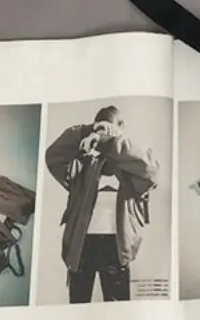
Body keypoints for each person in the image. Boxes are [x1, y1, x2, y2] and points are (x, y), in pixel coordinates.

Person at [45, 105, 159, 304]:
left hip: (117, 245)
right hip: (81, 244)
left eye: (110, 130)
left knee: (118, 309)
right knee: (78, 305)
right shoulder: (83, 162)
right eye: (100, 129)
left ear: (121, 129)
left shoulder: (131, 164)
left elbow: (151, 171)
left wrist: (113, 142)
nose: (104, 134)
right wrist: (87, 130)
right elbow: (53, 155)